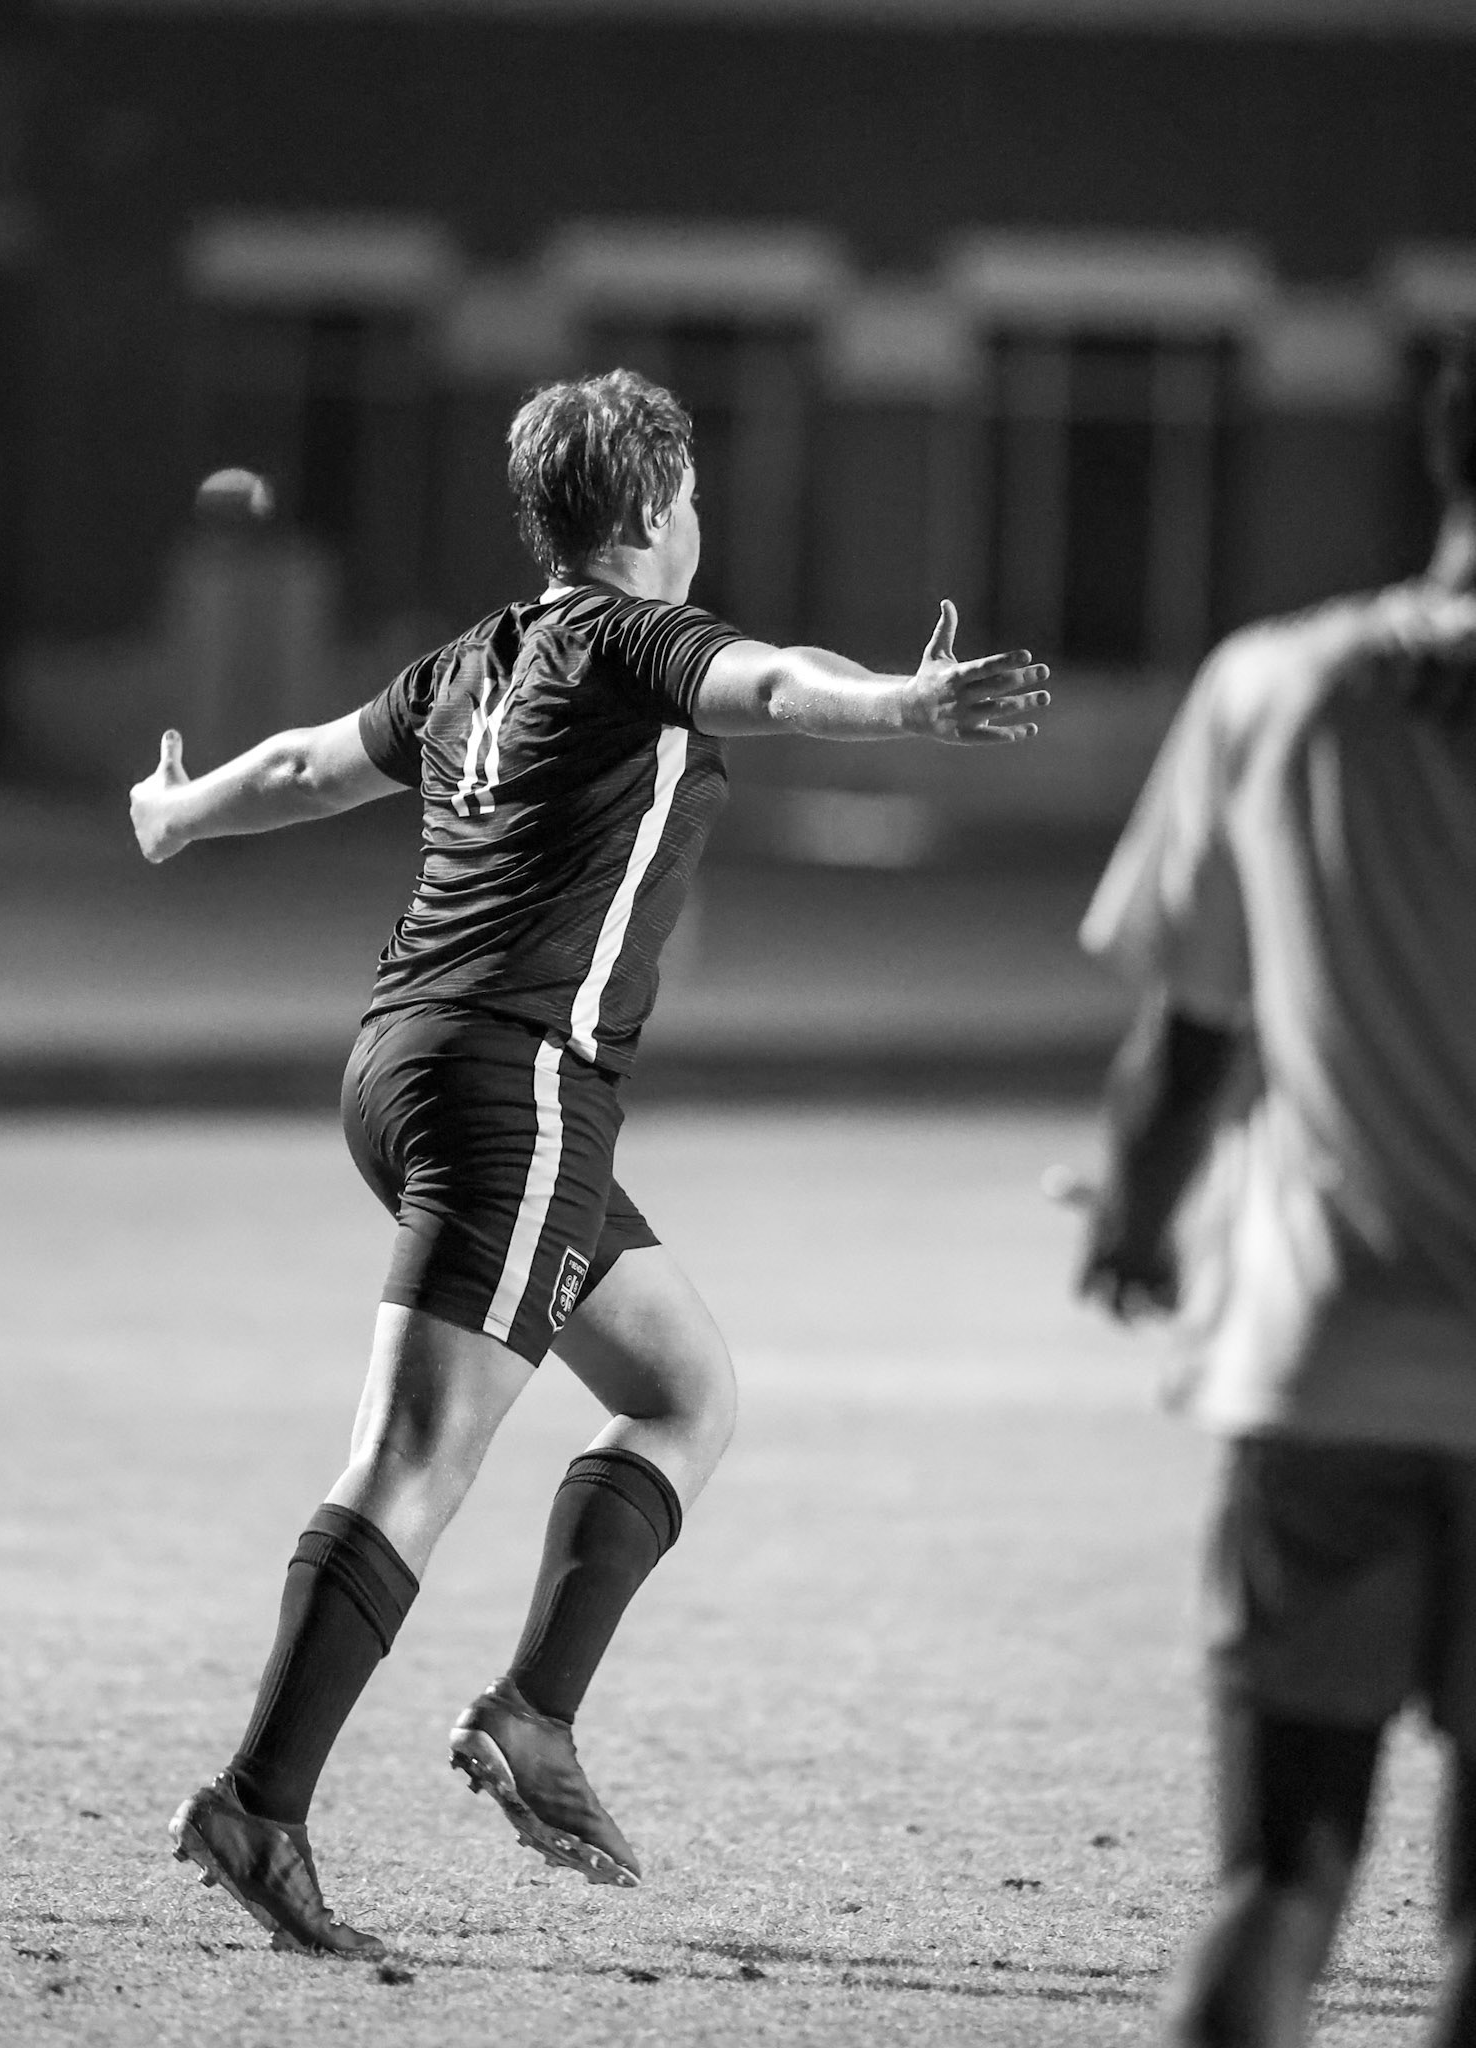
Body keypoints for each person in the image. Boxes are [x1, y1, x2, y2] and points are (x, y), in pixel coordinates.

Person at [130, 367, 1050, 1958]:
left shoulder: (474, 660)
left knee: (686, 1390)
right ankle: (258, 1806)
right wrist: (901, 705)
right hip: (515, 1084)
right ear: (641, 511)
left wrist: (175, 811)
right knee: (415, 1459)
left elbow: (303, 769)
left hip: (401, 1061)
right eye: (688, 496)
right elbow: (772, 683)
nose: (699, 526)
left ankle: (536, 1721)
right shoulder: (637, 641)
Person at [1074, 335, 1476, 2046]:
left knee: (1279, 1885)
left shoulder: (1282, 687)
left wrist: (1130, 1226)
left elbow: (1186, 1049)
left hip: (1322, 1375)